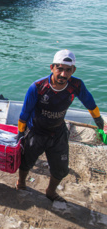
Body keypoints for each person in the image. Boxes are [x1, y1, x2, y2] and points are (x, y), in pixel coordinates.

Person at [15, 49, 104, 202]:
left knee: (61, 169)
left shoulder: (76, 85)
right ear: (52, 68)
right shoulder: (37, 87)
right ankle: (21, 183)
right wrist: (20, 134)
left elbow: (90, 103)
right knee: (25, 162)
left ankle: (50, 191)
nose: (63, 74)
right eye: (60, 69)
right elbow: (24, 113)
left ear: (73, 70)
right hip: (36, 131)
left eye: (68, 70)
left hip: (58, 133)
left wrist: (99, 121)